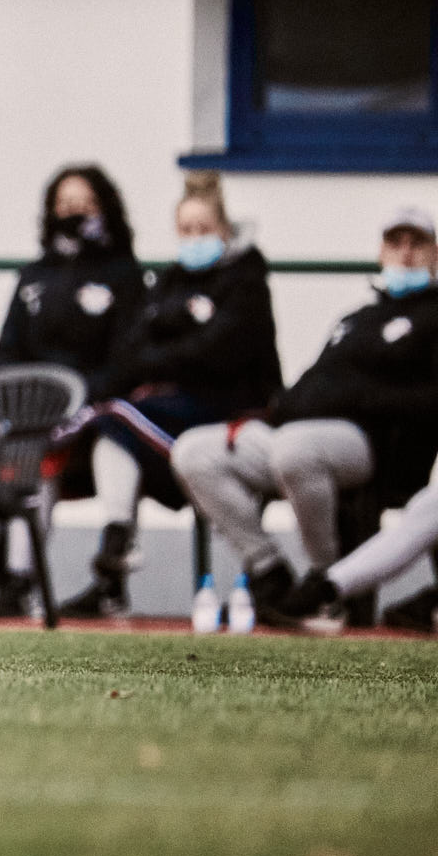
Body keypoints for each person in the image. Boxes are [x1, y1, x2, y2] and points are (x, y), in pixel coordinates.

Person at [173, 206, 438, 628]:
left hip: (370, 442)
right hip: (296, 430)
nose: (405, 254)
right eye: (395, 243)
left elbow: (428, 402)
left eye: (417, 244)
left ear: (434, 255)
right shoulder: (356, 319)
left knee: (296, 450)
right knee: (196, 451)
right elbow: (315, 383)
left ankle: (325, 580)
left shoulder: (432, 317)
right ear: (380, 252)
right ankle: (267, 570)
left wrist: (360, 397)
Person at [58, 171, 282, 618]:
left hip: (232, 412)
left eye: (204, 230)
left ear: (225, 230)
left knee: (115, 415)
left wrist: (167, 351)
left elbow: (220, 353)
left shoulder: (245, 281)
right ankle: (114, 559)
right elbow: (132, 351)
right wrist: (177, 346)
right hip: (171, 415)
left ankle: (120, 550)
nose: (194, 239)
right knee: (112, 423)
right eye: (186, 230)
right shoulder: (169, 284)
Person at [0, 164, 146, 615]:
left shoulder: (123, 275)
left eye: (85, 204)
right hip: (38, 416)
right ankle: (19, 581)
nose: (74, 213)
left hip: (96, 410)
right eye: (65, 205)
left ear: (105, 209)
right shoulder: (34, 276)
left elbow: (128, 360)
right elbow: (7, 351)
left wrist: (77, 399)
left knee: (114, 437)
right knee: (30, 454)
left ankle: (112, 569)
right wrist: (28, 402)